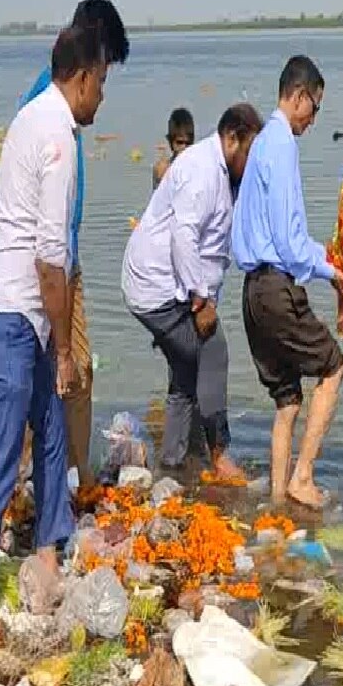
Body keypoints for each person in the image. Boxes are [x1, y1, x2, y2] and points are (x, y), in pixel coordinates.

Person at [0, 25, 109, 623]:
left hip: (10, 307)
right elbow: (51, 253)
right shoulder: (58, 137)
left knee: (49, 430)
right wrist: (65, 346)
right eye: (102, 83)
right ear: (83, 77)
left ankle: (49, 548)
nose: (102, 98)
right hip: (17, 314)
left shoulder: (31, 116)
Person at [19, 0, 129, 488]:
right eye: (103, 76)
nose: (104, 93)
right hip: (53, 263)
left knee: (56, 373)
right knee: (72, 372)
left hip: (62, 256)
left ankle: (56, 475)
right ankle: (72, 478)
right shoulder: (51, 103)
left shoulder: (48, 98)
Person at [231, 55, 343, 509]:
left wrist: (326, 259)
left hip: (252, 293)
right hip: (276, 288)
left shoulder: (260, 144)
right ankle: (303, 476)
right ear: (298, 96)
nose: (314, 119)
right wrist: (331, 272)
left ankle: (279, 502)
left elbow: (280, 235)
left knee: (287, 402)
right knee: (334, 366)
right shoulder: (280, 145)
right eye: (314, 108)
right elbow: (288, 239)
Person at [123, 104, 262, 478]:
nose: (251, 163)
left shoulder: (225, 173)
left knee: (185, 372)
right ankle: (219, 456)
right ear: (231, 138)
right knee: (212, 350)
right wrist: (200, 301)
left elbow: (214, 241)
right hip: (156, 285)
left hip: (170, 284)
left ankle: (172, 465)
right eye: (249, 152)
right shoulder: (201, 170)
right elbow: (183, 237)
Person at [151, 106, 194, 190]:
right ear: (170, 140)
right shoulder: (162, 169)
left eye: (188, 143)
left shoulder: (199, 168)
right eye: (180, 143)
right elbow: (156, 201)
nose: (184, 148)